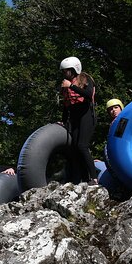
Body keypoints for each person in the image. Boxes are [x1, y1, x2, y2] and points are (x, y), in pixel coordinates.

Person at [59, 56, 98, 184]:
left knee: (82, 146)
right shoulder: (65, 85)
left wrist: (71, 86)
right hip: (74, 118)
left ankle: (94, 178)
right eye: (63, 71)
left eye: (67, 71)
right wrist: (63, 121)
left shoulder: (85, 79)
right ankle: (85, 178)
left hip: (87, 115)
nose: (65, 73)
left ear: (74, 69)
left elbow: (87, 95)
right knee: (75, 148)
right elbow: (66, 106)